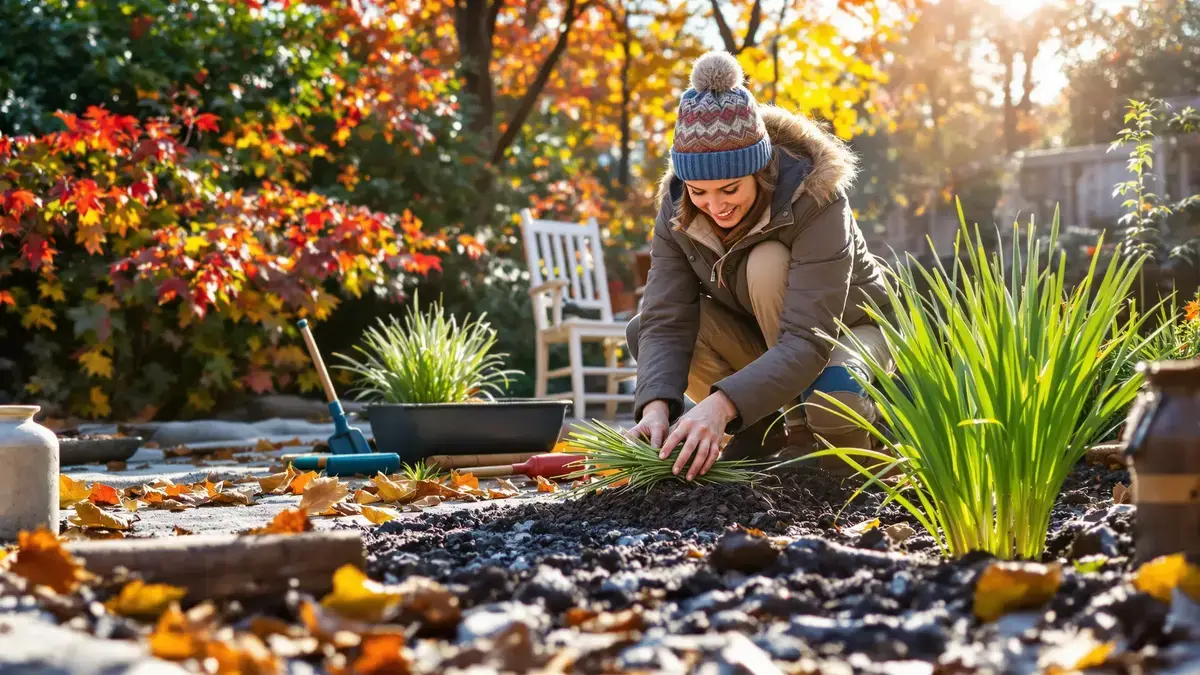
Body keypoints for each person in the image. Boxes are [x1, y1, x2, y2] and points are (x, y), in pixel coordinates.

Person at [625, 50, 894, 481]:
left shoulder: (816, 198)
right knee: (643, 328)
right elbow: (665, 317)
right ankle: (762, 431)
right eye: (699, 191)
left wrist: (721, 404)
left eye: (729, 189)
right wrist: (656, 406)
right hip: (772, 343)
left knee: (831, 403)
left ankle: (867, 431)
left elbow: (808, 337)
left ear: (761, 171)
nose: (714, 206)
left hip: (848, 329)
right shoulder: (677, 207)